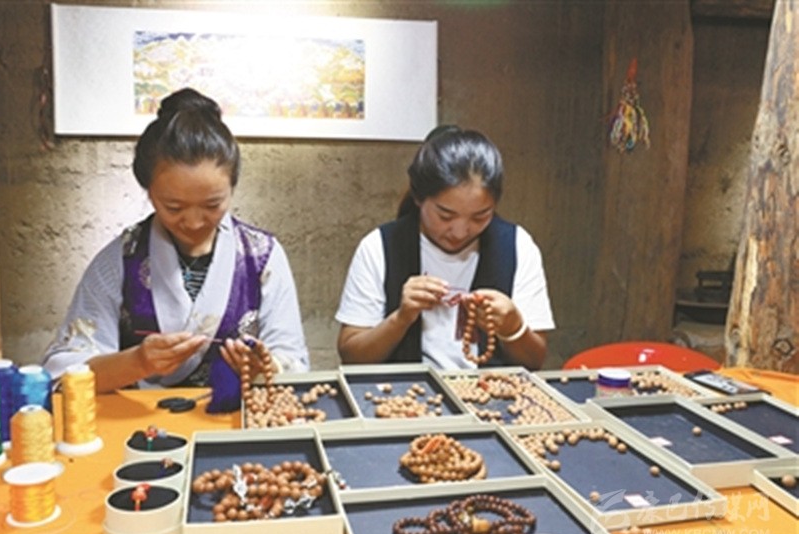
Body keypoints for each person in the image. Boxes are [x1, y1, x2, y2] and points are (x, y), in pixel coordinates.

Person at [43, 88, 308, 409]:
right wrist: (137, 362)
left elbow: (293, 362)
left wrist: (263, 367)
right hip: (140, 424)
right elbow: (65, 375)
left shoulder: (262, 257)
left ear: (232, 187)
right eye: (174, 207)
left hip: (234, 420)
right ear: (148, 191)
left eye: (212, 205)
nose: (194, 222)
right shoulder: (120, 260)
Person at [335, 126, 554, 370]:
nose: (460, 231)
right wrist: (401, 318)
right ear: (419, 198)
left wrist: (513, 327)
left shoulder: (517, 246)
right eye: (445, 215)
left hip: (488, 390)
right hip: (405, 391)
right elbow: (351, 356)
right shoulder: (380, 246)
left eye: (480, 216)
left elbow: (534, 361)